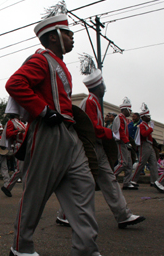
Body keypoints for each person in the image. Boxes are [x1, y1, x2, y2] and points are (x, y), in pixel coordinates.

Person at [5, 1, 100, 256]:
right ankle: (20, 248)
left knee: (85, 186)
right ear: (55, 36)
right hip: (47, 133)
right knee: (35, 195)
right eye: (68, 33)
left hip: (70, 136)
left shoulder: (62, 66)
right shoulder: (42, 60)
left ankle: (86, 249)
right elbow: (15, 83)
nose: (72, 38)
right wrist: (43, 110)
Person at [57, 56, 145, 229]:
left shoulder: (95, 102)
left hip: (97, 147)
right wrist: (109, 133)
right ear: (98, 87)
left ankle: (123, 215)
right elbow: (92, 129)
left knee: (109, 180)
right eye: (103, 84)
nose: (105, 87)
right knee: (83, 183)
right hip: (89, 148)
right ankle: (64, 214)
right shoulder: (90, 102)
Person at [130, 103, 158, 187]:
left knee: (153, 163)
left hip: (149, 145)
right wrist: (151, 129)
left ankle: (154, 181)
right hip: (144, 145)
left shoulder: (146, 125)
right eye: (148, 116)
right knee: (141, 163)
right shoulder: (142, 125)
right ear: (143, 117)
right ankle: (133, 180)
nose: (149, 117)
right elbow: (144, 134)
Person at [113, 97, 137, 190]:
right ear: (125, 109)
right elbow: (121, 131)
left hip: (125, 142)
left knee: (129, 164)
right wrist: (127, 142)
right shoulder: (119, 117)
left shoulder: (124, 118)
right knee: (123, 162)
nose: (130, 112)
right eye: (129, 110)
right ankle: (111, 178)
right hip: (121, 143)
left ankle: (127, 183)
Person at [0, 114, 26, 197]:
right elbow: (8, 134)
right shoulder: (11, 122)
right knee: (20, 170)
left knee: (26, 169)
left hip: (24, 146)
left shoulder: (20, 122)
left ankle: (27, 190)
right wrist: (18, 131)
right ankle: (7, 187)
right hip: (18, 146)